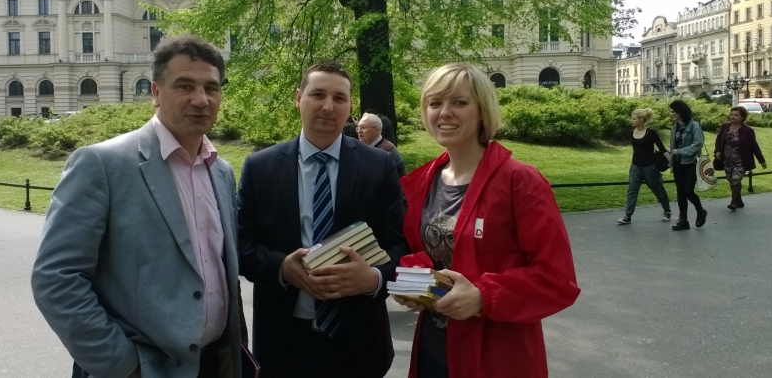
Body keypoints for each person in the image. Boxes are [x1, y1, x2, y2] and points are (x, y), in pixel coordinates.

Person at [32, 35, 243, 378]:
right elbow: (56, 279)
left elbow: (221, 274)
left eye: (211, 88)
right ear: (156, 93)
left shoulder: (221, 171)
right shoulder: (102, 165)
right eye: (185, 86)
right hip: (141, 368)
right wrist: (125, 366)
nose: (200, 99)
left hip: (212, 365)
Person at [393, 63, 579, 378]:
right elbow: (428, 253)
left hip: (496, 357)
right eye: (435, 103)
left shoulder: (520, 180)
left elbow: (557, 279)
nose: (444, 112)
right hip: (433, 352)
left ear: (482, 111)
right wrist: (415, 283)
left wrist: (482, 297)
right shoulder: (425, 180)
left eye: (459, 102)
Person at [238, 60, 409, 378]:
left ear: (350, 106)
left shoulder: (379, 167)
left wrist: (372, 279)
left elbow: (400, 245)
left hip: (358, 343)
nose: (328, 106)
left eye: (339, 98)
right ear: (298, 98)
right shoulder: (260, 168)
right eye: (318, 94)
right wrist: (281, 268)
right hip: (283, 342)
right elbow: (241, 246)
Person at [617, 108, 673, 224]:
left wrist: (672, 163)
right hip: (635, 166)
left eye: (634, 119)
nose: (631, 121)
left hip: (650, 167)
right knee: (632, 190)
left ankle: (667, 210)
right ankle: (627, 215)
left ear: (641, 120)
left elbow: (662, 149)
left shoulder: (651, 133)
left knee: (658, 189)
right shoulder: (632, 132)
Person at [714, 106, 767, 211]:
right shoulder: (725, 127)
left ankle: (733, 202)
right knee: (731, 181)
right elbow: (718, 140)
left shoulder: (748, 130)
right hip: (727, 160)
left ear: (742, 117)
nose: (733, 117)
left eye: (736, 115)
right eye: (732, 114)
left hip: (741, 161)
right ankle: (739, 201)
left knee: (735, 180)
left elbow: (754, 146)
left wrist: (762, 161)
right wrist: (718, 151)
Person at [668, 100, 708, 231]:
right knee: (680, 191)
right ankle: (683, 219)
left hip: (691, 162)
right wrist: (671, 163)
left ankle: (700, 210)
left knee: (688, 190)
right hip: (678, 163)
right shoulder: (674, 127)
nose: (671, 114)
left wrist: (680, 151)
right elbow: (672, 146)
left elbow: (697, 144)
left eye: (673, 112)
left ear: (681, 112)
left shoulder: (694, 126)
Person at [357, 112, 407, 177]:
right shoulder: (370, 147)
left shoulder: (385, 151)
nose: (359, 131)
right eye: (358, 127)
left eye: (363, 127)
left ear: (375, 130)